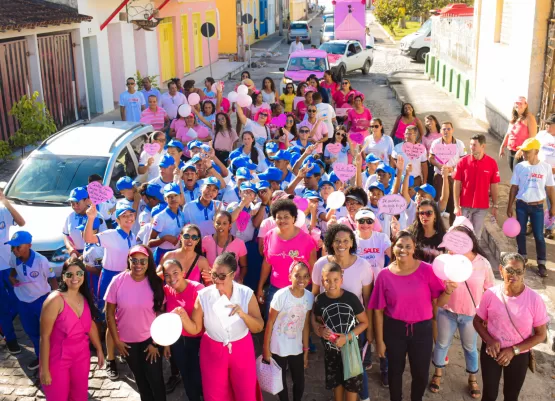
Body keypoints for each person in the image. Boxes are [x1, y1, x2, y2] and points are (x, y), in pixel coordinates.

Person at [370, 231, 456, 401]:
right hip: (394, 329)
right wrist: (379, 341)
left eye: (408, 246)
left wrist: (448, 291)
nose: (403, 249)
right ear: (393, 247)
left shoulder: (427, 270)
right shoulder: (384, 275)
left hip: (421, 330)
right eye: (400, 245)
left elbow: (439, 302)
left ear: (414, 248)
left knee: (422, 374)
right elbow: (378, 311)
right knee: (395, 372)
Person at [173, 252, 264, 401]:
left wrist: (243, 314)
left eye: (222, 276)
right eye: (214, 274)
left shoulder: (246, 294)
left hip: (241, 348)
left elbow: (259, 326)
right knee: (215, 394)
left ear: (233, 275)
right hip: (212, 349)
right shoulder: (204, 295)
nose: (216, 280)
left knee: (245, 392)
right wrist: (183, 316)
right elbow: (196, 328)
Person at [429, 225, 495, 399]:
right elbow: (438, 298)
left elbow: (490, 291)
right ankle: (438, 373)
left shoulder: (482, 263)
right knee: (441, 345)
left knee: (470, 347)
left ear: (471, 241)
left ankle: (473, 379)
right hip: (446, 312)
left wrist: (487, 315)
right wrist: (448, 290)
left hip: (471, 317)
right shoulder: (444, 263)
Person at [473, 252, 548, 401]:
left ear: (524, 272)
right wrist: (489, 340)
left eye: (518, 271)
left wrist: (514, 350)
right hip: (491, 352)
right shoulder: (491, 294)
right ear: (501, 269)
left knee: (511, 396)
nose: (514, 275)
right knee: (489, 395)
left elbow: (541, 335)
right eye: (509, 270)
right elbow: (477, 321)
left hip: (519, 355)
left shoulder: (534, 300)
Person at [311, 224, 373, 401]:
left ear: (352, 242)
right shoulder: (321, 265)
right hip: (330, 332)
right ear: (331, 242)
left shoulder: (363, 266)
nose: (341, 244)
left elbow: (367, 300)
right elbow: (314, 299)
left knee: (355, 366)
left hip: (355, 328)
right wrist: (316, 327)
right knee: (336, 369)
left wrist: (369, 330)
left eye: (346, 240)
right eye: (337, 241)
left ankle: (365, 397)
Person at [105, 246, 166, 401]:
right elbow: (109, 313)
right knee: (140, 380)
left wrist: (156, 342)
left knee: (156, 381)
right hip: (127, 344)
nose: (138, 264)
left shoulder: (156, 283)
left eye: (142, 260)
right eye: (134, 260)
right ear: (129, 261)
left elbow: (161, 314)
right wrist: (117, 341)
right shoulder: (117, 281)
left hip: (150, 342)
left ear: (148, 262)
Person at [84, 203, 137, 380]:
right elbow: (89, 238)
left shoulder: (132, 235)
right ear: (117, 219)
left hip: (127, 279)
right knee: (111, 320)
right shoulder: (111, 234)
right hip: (110, 279)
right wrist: (91, 218)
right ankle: (110, 359)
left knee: (124, 318)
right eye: (124, 216)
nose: (129, 218)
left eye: (131, 215)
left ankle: (122, 350)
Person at [40, 258, 104, 400]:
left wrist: (99, 348)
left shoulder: (85, 297)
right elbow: (44, 337)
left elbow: (90, 325)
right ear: (63, 276)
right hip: (58, 359)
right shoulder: (54, 300)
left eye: (79, 273)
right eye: (69, 274)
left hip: (81, 357)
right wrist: (44, 369)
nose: (75, 278)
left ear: (83, 275)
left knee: (80, 396)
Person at [263, 260, 313, 401]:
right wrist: (266, 348)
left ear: (309, 279)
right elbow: (270, 322)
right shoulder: (281, 295)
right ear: (290, 276)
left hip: (296, 347)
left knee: (299, 380)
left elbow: (305, 325)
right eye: (297, 275)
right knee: (280, 381)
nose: (301, 279)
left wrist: (306, 350)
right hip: (278, 346)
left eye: (305, 276)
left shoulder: (309, 297)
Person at [7, 231, 58, 370]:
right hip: (23, 302)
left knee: (47, 331)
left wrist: (57, 299)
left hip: (41, 300)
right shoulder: (14, 256)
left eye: (18, 247)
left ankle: (54, 358)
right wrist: (12, 277)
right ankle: (41, 357)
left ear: (29, 245)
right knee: (31, 331)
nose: (15, 250)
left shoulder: (41, 261)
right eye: (13, 247)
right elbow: (13, 269)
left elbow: (52, 278)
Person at [258, 199, 317, 314]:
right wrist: (260, 286)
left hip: (301, 289)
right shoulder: (269, 236)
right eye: (279, 217)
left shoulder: (306, 239)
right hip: (275, 288)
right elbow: (266, 263)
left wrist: (314, 292)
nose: (282, 220)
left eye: (286, 217)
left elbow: (313, 266)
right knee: (272, 324)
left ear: (294, 218)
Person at [507, 137, 555, 277]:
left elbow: (550, 189)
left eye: (528, 151)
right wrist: (509, 206)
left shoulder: (545, 168)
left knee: (539, 236)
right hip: (521, 205)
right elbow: (514, 187)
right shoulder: (520, 167)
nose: (525, 154)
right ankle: (522, 257)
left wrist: (553, 207)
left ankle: (542, 263)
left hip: (538, 207)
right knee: (520, 232)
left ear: (536, 151)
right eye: (524, 151)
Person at [161, 259, 204, 401]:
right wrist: (167, 343)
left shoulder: (197, 290)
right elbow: (165, 317)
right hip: (178, 340)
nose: (171, 278)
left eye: (175, 273)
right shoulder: (166, 290)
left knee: (198, 375)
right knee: (185, 373)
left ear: (183, 273)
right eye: (167, 275)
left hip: (198, 339)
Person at [453, 134, 500, 240]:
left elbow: (494, 185)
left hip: (481, 207)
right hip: (464, 206)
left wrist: (495, 205)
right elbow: (456, 184)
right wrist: (456, 205)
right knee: (462, 235)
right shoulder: (462, 162)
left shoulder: (491, 163)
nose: (471, 147)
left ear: (483, 146)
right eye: (470, 144)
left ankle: (473, 256)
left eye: (474, 145)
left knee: (476, 236)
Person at [0, 188, 25, 355]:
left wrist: (6, 202)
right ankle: (10, 338)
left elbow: (21, 222)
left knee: (18, 300)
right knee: (2, 305)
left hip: (9, 266)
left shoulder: (3, 211)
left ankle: (3, 324)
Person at [429, 121, 466, 225]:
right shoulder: (436, 143)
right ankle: (437, 227)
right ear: (440, 131)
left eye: (448, 129)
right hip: (439, 177)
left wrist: (452, 168)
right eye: (444, 129)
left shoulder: (459, 144)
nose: (446, 131)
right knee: (438, 203)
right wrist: (439, 165)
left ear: (452, 130)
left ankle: (452, 228)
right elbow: (430, 158)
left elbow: (463, 161)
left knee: (454, 204)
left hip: (454, 178)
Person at [202, 211, 247, 281]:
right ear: (214, 224)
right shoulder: (206, 240)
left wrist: (240, 279)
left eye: (224, 223)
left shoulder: (239, 243)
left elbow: (244, 266)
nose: (221, 226)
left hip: (232, 284)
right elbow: (200, 261)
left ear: (230, 226)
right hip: (211, 283)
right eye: (218, 223)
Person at [149, 183, 185, 264]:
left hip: (178, 253)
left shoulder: (181, 214)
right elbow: (150, 243)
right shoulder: (160, 217)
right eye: (169, 197)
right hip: (163, 255)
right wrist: (164, 238)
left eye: (175, 195)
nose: (173, 199)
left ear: (180, 196)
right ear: (165, 199)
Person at [500, 96, 538, 171]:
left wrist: (521, 150)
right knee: (513, 171)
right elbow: (508, 133)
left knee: (518, 174)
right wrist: (502, 146)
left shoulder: (529, 117)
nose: (519, 105)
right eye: (517, 103)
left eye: (521, 103)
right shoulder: (514, 118)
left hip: (522, 152)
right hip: (511, 150)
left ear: (526, 105)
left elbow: (532, 137)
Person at [534, 113, 555, 238]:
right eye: (546, 123)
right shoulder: (541, 135)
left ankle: (549, 228)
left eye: (550, 124)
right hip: (539, 173)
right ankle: (531, 224)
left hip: (553, 175)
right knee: (535, 200)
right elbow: (533, 147)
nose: (546, 125)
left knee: (552, 202)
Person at [408, 199, 447, 263]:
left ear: (435, 215)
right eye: (421, 213)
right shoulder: (411, 234)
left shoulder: (444, 237)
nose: (424, 216)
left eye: (429, 213)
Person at [422, 115, 442, 185]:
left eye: (430, 120)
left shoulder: (442, 135)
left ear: (435, 121)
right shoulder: (424, 137)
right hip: (429, 163)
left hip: (441, 162)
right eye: (427, 121)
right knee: (430, 182)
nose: (428, 122)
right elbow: (423, 151)